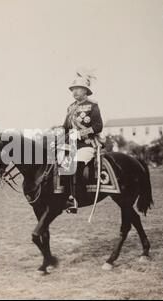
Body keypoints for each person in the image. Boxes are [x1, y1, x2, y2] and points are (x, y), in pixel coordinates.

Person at [61, 71, 103, 213]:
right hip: (71, 144)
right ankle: (63, 196)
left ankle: (75, 198)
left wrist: (80, 133)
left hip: (87, 144)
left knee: (76, 164)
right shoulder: (70, 107)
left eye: (78, 88)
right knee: (59, 164)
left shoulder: (93, 105)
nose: (74, 92)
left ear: (85, 90)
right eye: (73, 89)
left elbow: (98, 126)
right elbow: (65, 127)